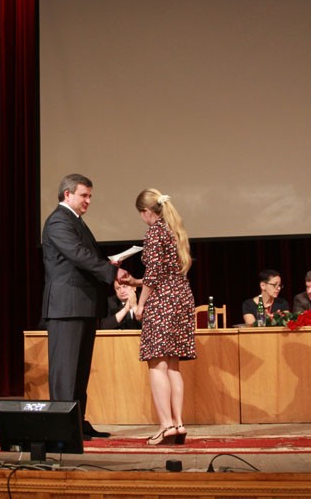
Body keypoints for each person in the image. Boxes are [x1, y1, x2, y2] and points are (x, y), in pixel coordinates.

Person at [41, 173, 129, 440]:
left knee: (79, 371)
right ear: (67, 194)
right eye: (84, 195)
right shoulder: (58, 220)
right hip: (67, 307)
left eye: (90, 196)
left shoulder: (74, 220)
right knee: (65, 372)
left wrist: (107, 264)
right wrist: (111, 272)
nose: (88, 201)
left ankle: (77, 421)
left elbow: (84, 256)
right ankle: (62, 427)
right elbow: (78, 255)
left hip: (82, 305)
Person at [122, 189, 196, 446]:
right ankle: (178, 423)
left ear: (145, 211)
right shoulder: (175, 230)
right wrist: (137, 281)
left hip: (162, 302)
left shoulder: (154, 232)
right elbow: (166, 273)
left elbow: (154, 275)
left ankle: (165, 426)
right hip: (181, 297)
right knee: (173, 365)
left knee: (157, 364)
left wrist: (140, 304)